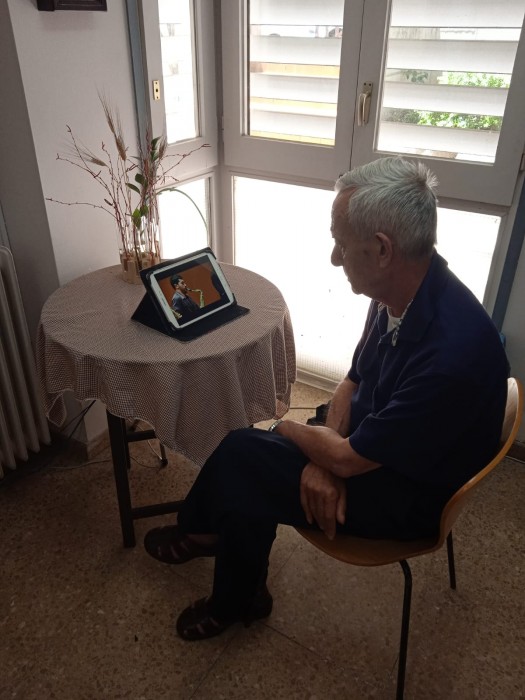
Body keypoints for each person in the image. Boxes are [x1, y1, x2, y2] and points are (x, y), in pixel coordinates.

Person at [144, 156, 509, 641]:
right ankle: (223, 561)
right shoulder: (404, 291)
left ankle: (217, 566)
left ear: (382, 249)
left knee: (242, 457)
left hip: (409, 492)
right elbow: (353, 382)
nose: (335, 258)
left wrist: (294, 431)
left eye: (342, 244)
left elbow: (351, 459)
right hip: (375, 438)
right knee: (249, 460)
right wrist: (327, 451)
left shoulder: (451, 356)